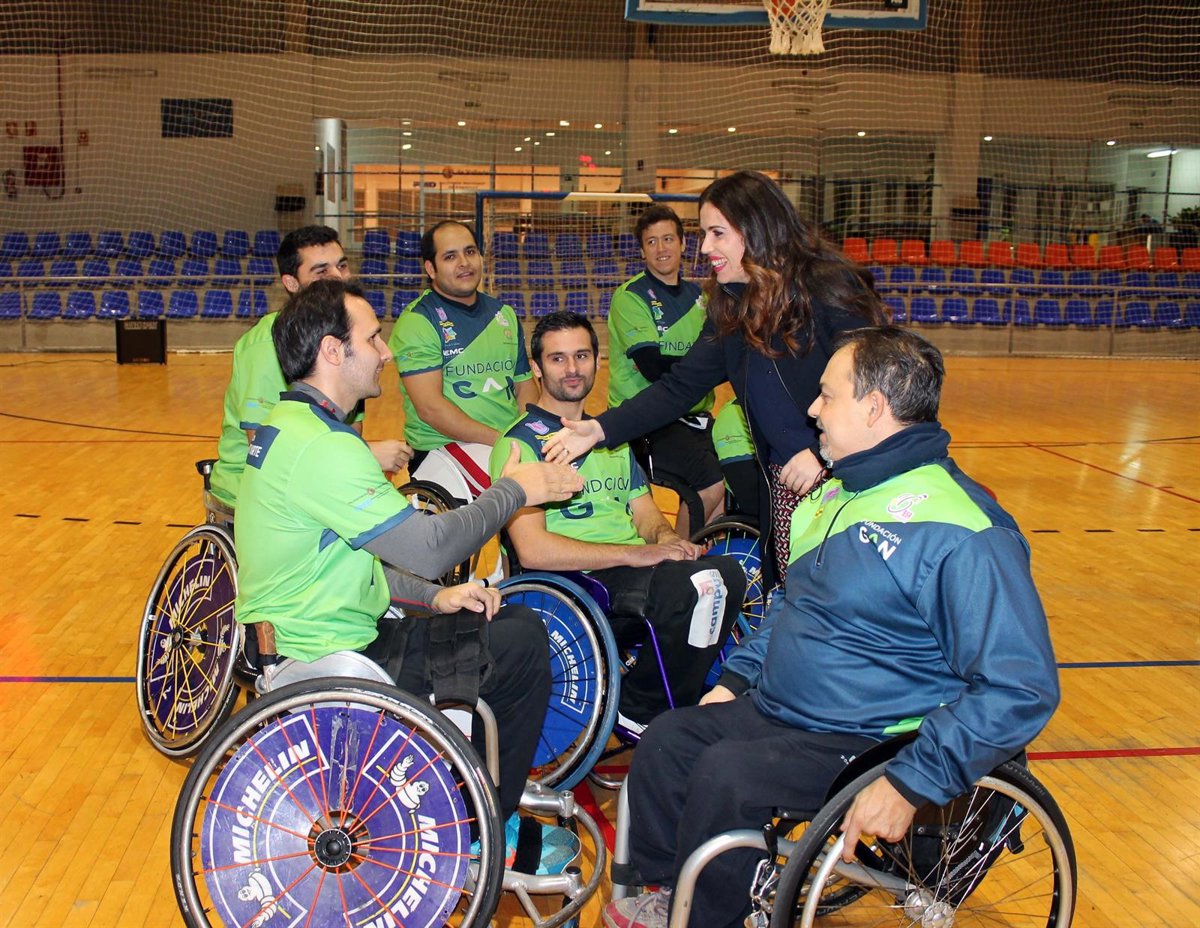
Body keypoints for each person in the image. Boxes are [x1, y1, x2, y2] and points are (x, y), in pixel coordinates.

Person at [601, 326, 1061, 928]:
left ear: (874, 407)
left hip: (872, 736)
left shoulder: (964, 530)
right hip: (788, 712)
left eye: (826, 395)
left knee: (726, 775)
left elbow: (1021, 686)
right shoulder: (835, 494)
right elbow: (793, 605)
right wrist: (735, 681)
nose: (812, 409)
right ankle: (666, 897)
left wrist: (912, 781)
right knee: (668, 741)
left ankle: (713, 916)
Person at [234, 279, 585, 869]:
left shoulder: (296, 427)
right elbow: (429, 546)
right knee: (521, 647)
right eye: (373, 338)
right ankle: (480, 826)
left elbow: (353, 558)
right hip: (331, 657)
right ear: (332, 351)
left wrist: (434, 597)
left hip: (321, 636)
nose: (386, 351)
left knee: (504, 626)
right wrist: (514, 490)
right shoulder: (322, 447)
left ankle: (476, 792)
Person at [543, 171, 887, 590]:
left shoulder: (828, 286)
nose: (705, 247)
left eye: (717, 233)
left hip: (848, 475)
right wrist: (599, 429)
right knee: (795, 595)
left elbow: (874, 380)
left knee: (850, 596)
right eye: (704, 233)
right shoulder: (731, 307)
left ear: (755, 229)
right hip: (785, 481)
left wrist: (821, 452)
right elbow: (679, 387)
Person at [488, 312, 746, 732]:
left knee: (728, 574)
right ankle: (642, 707)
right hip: (576, 581)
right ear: (536, 368)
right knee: (687, 588)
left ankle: (669, 697)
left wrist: (668, 540)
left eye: (582, 355)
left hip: (631, 572)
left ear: (597, 360)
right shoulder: (519, 444)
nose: (572, 369)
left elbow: (646, 515)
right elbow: (532, 550)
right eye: (557, 359)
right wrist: (637, 554)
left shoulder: (608, 436)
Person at [209, 225, 410, 511]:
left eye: (342, 265)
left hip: (314, 475)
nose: (339, 277)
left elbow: (351, 428)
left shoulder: (347, 340)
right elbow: (263, 448)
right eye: (322, 271)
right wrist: (367, 454)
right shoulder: (266, 345)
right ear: (291, 283)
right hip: (253, 490)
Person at [608, 205, 725, 538]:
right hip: (645, 419)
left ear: (684, 243)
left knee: (735, 472)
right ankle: (678, 559)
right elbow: (653, 365)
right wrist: (711, 370)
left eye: (668, 239)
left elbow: (721, 353)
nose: (661, 249)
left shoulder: (701, 297)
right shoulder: (631, 297)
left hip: (694, 416)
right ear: (642, 250)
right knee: (710, 483)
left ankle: (707, 555)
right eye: (652, 241)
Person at [388, 220, 538, 477]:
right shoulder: (418, 321)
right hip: (442, 449)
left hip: (504, 444)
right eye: (450, 256)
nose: (464, 263)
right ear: (431, 268)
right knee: (523, 487)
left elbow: (525, 387)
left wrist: (528, 436)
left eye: (470, 252)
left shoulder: (504, 314)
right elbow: (431, 409)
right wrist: (502, 440)